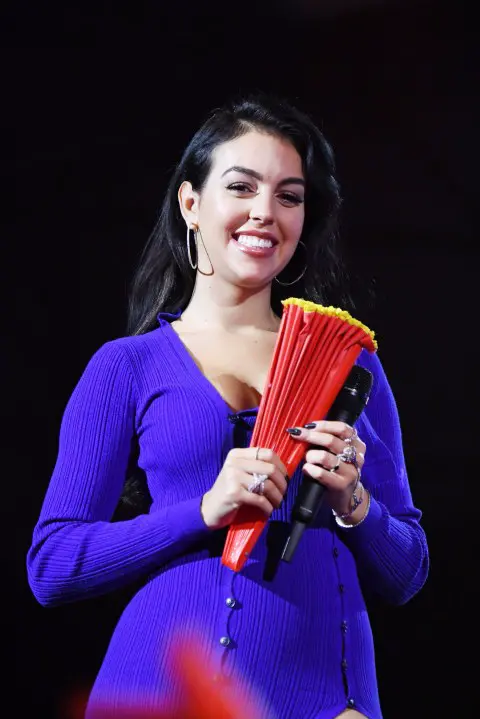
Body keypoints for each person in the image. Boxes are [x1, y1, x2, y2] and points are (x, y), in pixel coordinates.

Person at [26, 93, 429, 719]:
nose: (265, 213)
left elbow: (406, 572)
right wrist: (204, 509)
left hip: (327, 697)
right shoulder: (127, 366)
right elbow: (53, 566)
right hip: (167, 689)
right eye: (242, 187)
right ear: (191, 204)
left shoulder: (349, 362)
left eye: (289, 196)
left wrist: (355, 503)